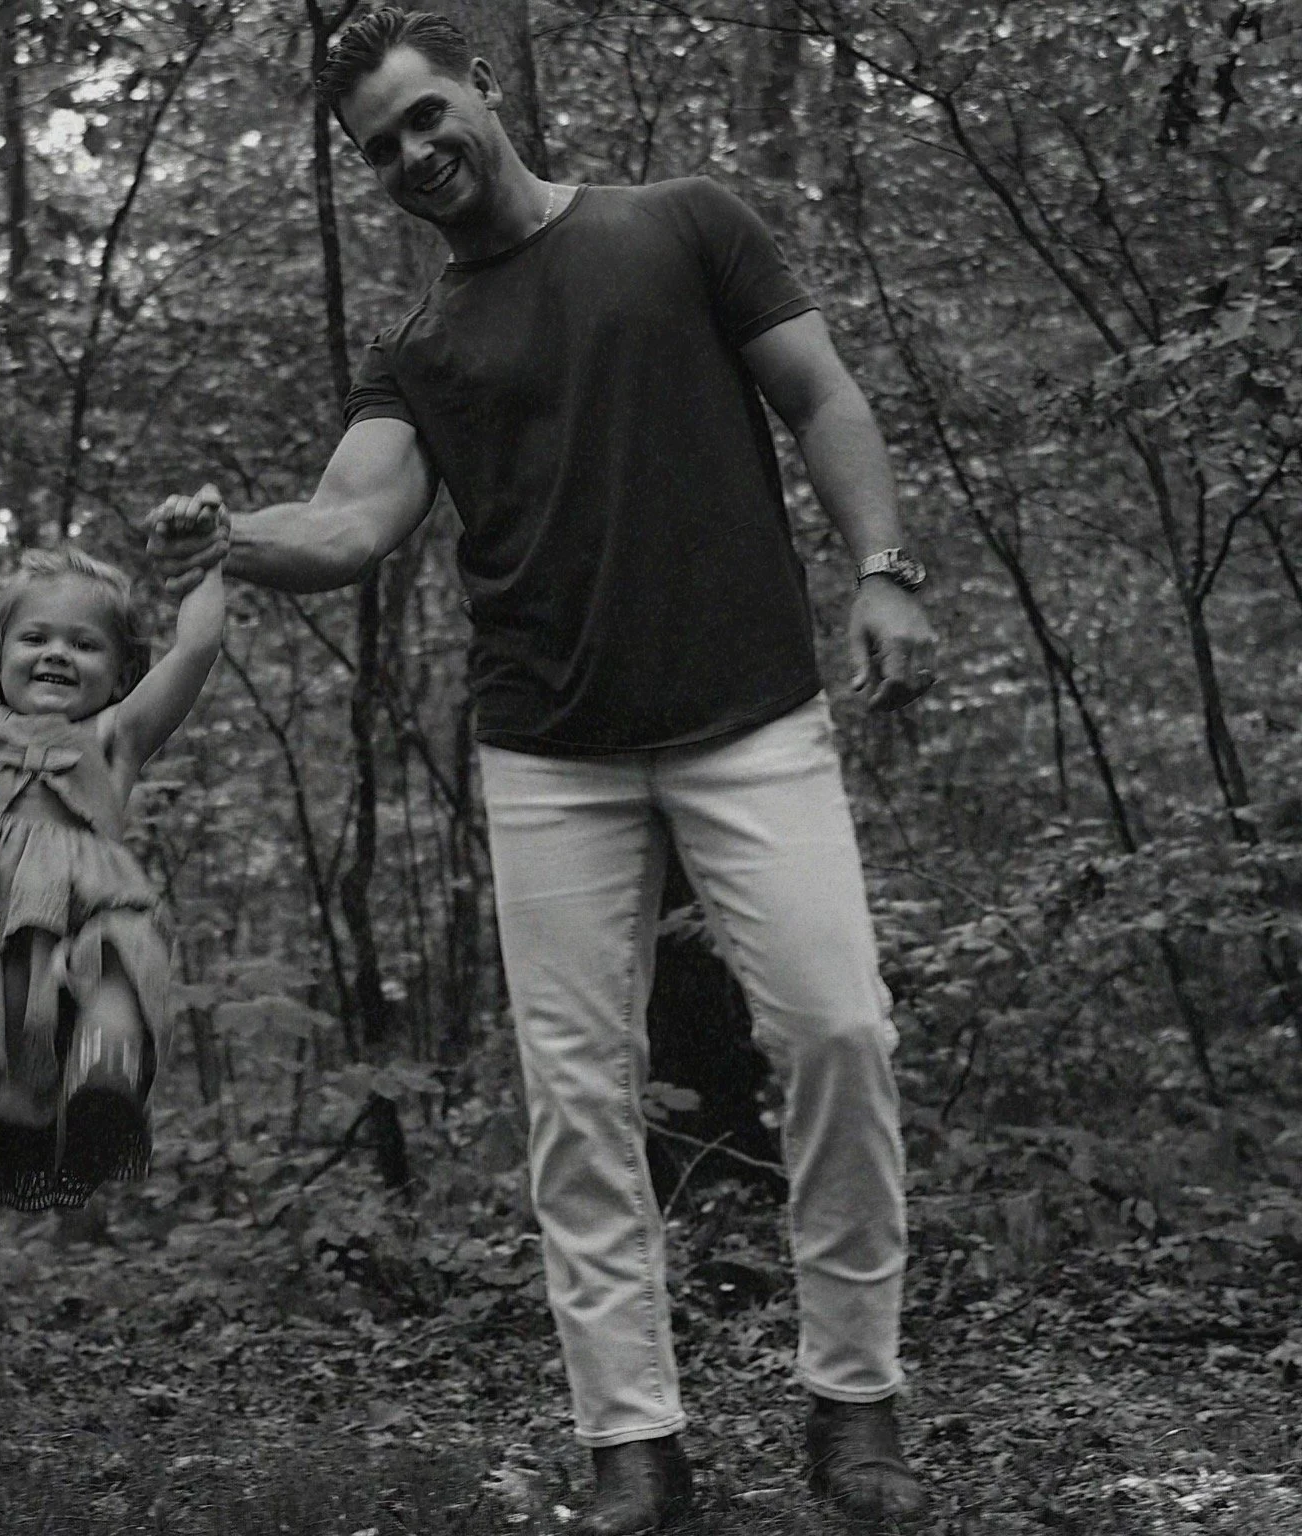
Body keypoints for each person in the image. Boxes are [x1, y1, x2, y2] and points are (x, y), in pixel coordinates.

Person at [150, 9, 937, 1533]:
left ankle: (857, 1402)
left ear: (485, 91)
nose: (416, 155)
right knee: (578, 1100)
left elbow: (824, 395)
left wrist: (884, 567)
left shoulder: (682, 224)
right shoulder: (420, 348)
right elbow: (356, 522)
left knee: (839, 1032)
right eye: (381, 149)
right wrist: (231, 534)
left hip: (751, 718)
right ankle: (630, 1442)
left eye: (429, 116)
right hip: (549, 756)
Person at [0, 486, 225, 1215]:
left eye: (85, 644)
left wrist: (208, 559)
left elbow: (198, 647)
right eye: (37, 638)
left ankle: (101, 1095)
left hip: (82, 920)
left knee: (120, 964)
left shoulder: (117, 736)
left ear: (120, 674)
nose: (58, 652)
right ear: (0, 655)